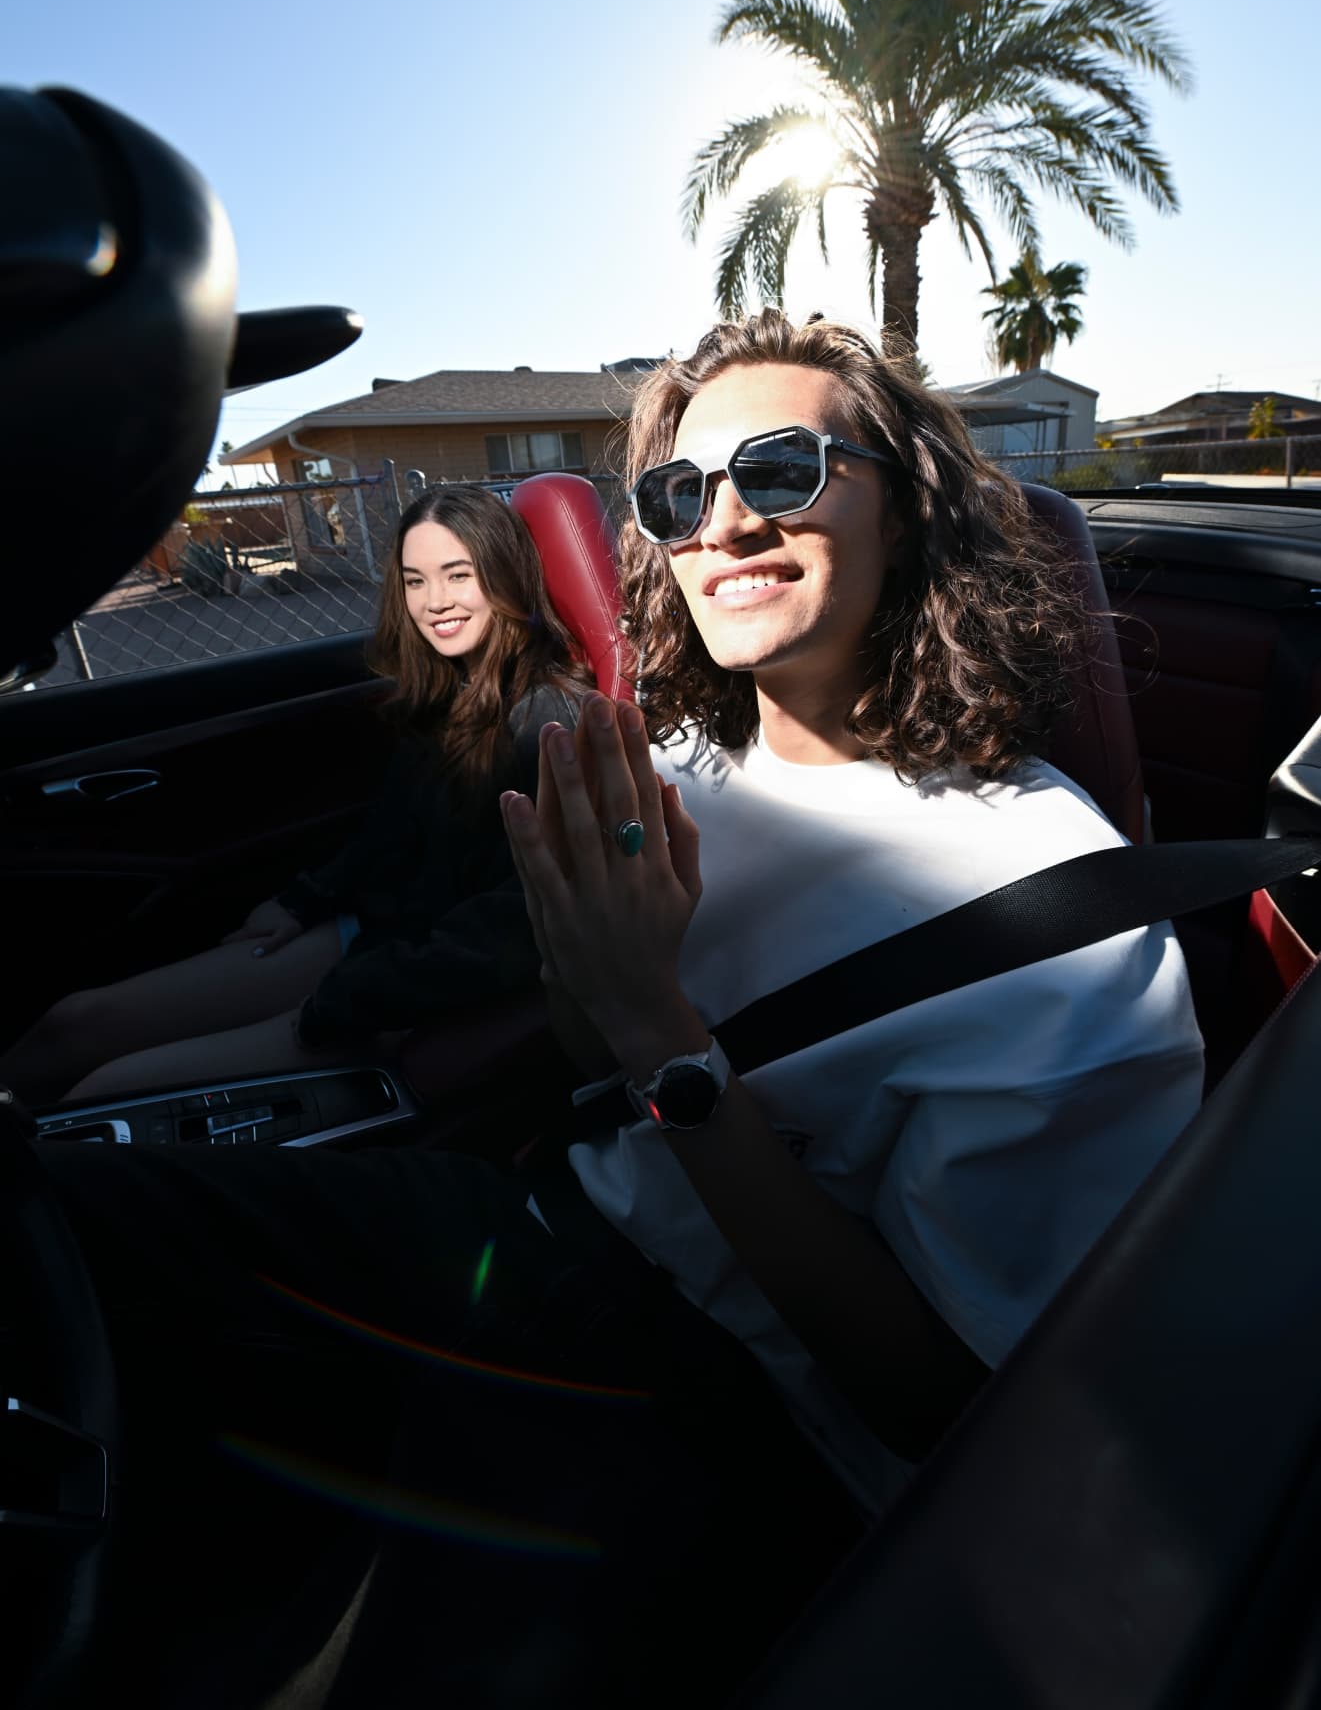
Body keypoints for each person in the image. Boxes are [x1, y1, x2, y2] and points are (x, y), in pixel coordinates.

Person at [31, 311, 1204, 1704]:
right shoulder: (687, 767)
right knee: (69, 1221)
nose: (722, 523)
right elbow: (598, 1076)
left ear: (914, 504)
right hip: (557, 1229)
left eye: (779, 470)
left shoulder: (1056, 904)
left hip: (742, 1410)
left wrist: (658, 1031)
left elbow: (938, 1402)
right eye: (676, 493)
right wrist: (592, 983)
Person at [2, 484, 587, 1105]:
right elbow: (391, 831)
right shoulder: (450, 690)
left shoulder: (548, 724)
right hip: (371, 937)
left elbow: (510, 929)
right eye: (415, 581)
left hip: (401, 986)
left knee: (105, 1092)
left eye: (457, 575)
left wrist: (334, 1005)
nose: (434, 602)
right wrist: (305, 901)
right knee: (75, 1022)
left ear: (505, 576)